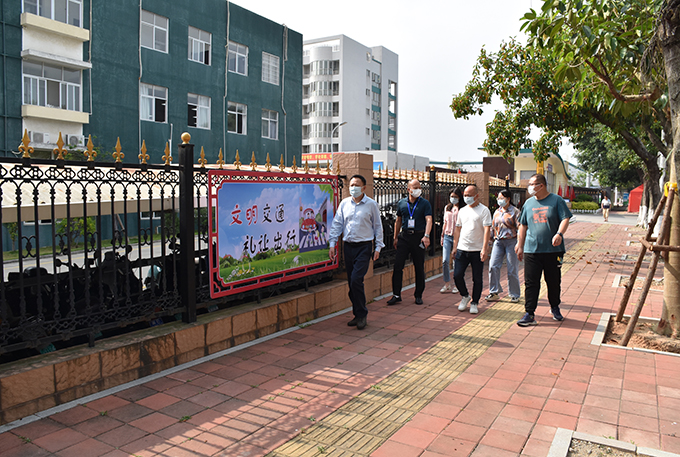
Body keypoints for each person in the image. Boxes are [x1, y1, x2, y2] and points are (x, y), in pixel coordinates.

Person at [515, 173, 573, 327]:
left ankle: (555, 307)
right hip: (532, 250)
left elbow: (565, 218)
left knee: (553, 281)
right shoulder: (528, 203)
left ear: (541, 186)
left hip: (553, 250)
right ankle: (529, 313)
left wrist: (559, 234)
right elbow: (523, 225)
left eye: (532, 184)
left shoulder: (556, 200)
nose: (529, 187)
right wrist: (520, 245)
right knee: (531, 283)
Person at [329, 174, 384, 330]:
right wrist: (332, 243)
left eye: (357, 185)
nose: (353, 188)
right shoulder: (344, 204)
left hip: (364, 247)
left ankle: (362, 313)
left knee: (356, 280)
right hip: (348, 246)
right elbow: (337, 224)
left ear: (364, 187)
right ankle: (357, 313)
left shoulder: (371, 204)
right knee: (352, 283)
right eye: (351, 185)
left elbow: (378, 226)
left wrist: (378, 247)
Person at [387, 179, 433, 306]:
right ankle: (396, 294)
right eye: (415, 187)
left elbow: (429, 219)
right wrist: (395, 237)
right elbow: (398, 220)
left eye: (419, 187)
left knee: (419, 266)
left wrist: (426, 235)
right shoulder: (401, 203)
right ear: (408, 189)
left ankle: (418, 295)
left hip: (419, 237)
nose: (418, 189)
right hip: (404, 237)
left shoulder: (425, 203)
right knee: (398, 266)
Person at [453, 184, 492, 314]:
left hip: (477, 250)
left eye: (469, 195)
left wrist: (484, 248)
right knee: (457, 275)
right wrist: (455, 246)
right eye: (465, 195)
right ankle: (465, 296)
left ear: (476, 196)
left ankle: (475, 302)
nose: (466, 197)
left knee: (477, 278)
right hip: (462, 248)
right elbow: (458, 228)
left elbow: (487, 230)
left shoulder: (484, 210)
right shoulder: (462, 211)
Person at [486, 189, 521, 303]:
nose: (499, 200)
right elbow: (493, 227)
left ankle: (514, 294)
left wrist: (520, 243)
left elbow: (520, 228)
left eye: (502, 198)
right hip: (498, 241)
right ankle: (494, 292)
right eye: (498, 198)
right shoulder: (497, 211)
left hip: (511, 241)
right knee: (493, 266)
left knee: (512, 268)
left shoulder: (515, 212)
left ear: (508, 199)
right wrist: (489, 241)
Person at [440, 188, 464, 294]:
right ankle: (447, 283)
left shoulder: (463, 209)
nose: (453, 199)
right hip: (447, 236)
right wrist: (442, 236)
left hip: (458, 237)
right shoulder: (447, 207)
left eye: (455, 197)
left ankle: (457, 284)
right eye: (451, 196)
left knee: (456, 261)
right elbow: (445, 222)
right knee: (445, 260)